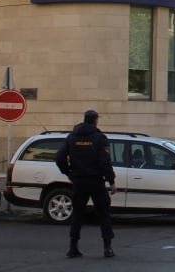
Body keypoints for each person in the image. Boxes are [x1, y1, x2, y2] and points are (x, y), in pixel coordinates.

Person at [55, 110, 117, 258]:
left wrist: (69, 173)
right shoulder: (100, 138)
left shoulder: (72, 137)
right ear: (95, 120)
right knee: (103, 213)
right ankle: (107, 247)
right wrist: (111, 181)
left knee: (77, 213)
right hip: (95, 180)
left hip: (78, 181)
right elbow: (105, 162)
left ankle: (73, 246)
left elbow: (59, 158)